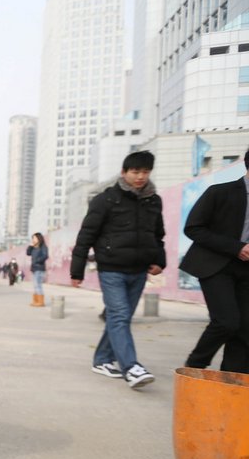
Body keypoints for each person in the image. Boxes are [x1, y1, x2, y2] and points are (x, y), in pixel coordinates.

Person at [70, 150, 165, 388]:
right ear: (124, 172)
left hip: (139, 270)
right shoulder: (106, 200)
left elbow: (158, 235)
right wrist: (76, 271)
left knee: (119, 317)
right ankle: (131, 367)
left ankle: (102, 359)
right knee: (120, 315)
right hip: (111, 268)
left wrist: (159, 260)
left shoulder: (154, 200)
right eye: (135, 172)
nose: (140, 176)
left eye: (145, 172)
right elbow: (86, 235)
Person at [179, 147, 249, 372]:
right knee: (226, 321)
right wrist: (236, 248)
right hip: (215, 265)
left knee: (245, 329)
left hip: (246, 271)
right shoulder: (219, 192)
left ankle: (233, 380)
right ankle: (195, 365)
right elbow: (194, 228)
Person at [26, 232, 49, 307]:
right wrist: (30, 246)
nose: (33, 239)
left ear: (39, 238)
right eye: (32, 238)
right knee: (35, 285)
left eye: (34, 238)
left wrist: (37, 261)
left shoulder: (43, 247)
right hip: (34, 269)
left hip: (40, 268)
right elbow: (28, 253)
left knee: (38, 285)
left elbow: (45, 256)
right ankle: (36, 301)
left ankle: (40, 301)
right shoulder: (33, 247)